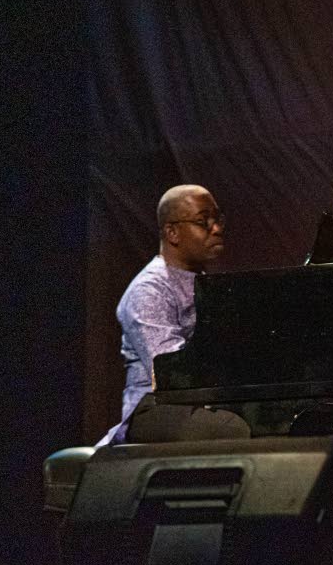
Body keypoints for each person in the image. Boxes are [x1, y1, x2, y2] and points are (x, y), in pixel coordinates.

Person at [96, 184, 250, 446]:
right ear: (172, 232)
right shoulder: (149, 290)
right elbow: (172, 371)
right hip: (154, 408)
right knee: (237, 428)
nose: (217, 228)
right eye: (204, 221)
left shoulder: (204, 283)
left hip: (200, 401)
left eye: (217, 219)